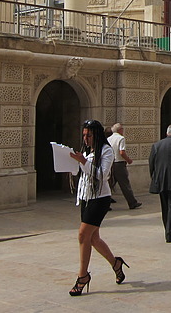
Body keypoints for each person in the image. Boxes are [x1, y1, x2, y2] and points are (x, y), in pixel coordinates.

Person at [68, 120, 127, 296]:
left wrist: (83, 162)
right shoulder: (87, 150)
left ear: (97, 135)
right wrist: (74, 164)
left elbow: (102, 175)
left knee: (82, 235)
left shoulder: (106, 150)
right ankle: (116, 264)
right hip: (86, 197)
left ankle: (83, 276)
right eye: (84, 135)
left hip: (100, 198)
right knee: (93, 238)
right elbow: (84, 172)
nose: (85, 138)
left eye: (89, 135)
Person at [107, 123, 142, 210]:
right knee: (125, 185)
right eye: (122, 129)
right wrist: (128, 160)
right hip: (119, 164)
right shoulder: (121, 138)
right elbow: (122, 152)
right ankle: (132, 202)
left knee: (109, 185)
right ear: (119, 130)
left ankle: (104, 204)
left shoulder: (108, 139)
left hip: (111, 163)